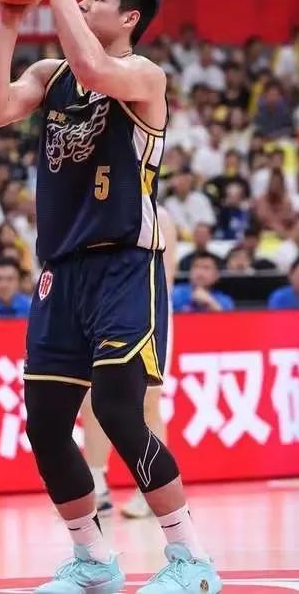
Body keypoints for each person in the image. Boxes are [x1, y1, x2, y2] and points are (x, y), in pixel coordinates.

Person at [0, 0, 220, 594]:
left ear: (130, 17)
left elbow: (94, 70)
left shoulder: (144, 76)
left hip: (125, 265)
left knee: (117, 409)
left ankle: (192, 560)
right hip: (60, 270)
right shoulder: (50, 75)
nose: (83, 3)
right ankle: (92, 561)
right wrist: (7, 23)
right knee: (45, 423)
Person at [82, 206, 178, 519]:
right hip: (99, 314)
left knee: (147, 401)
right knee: (92, 396)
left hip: (147, 313)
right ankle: (96, 485)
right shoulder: (96, 208)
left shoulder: (158, 215)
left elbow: (165, 280)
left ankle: (151, 489)